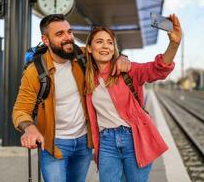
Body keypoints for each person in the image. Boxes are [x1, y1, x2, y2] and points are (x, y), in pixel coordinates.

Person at [12, 14, 131, 182]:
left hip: (83, 142)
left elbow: (105, 52)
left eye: (69, 32)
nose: (68, 38)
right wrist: (29, 128)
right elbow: (20, 110)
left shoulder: (83, 57)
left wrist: (122, 57)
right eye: (59, 34)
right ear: (45, 40)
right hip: (54, 145)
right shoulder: (35, 72)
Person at [84, 14, 182, 182]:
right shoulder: (87, 78)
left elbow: (156, 69)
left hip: (134, 138)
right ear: (89, 48)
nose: (105, 46)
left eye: (109, 42)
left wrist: (174, 45)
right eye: (99, 42)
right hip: (106, 143)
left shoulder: (128, 70)